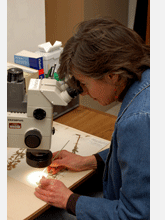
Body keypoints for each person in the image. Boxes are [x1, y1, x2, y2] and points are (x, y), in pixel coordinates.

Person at [34, 16, 150, 220]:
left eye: (83, 83)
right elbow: (143, 155)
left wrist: (68, 199)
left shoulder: (138, 120)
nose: (84, 93)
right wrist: (90, 161)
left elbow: (135, 215)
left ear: (112, 75)